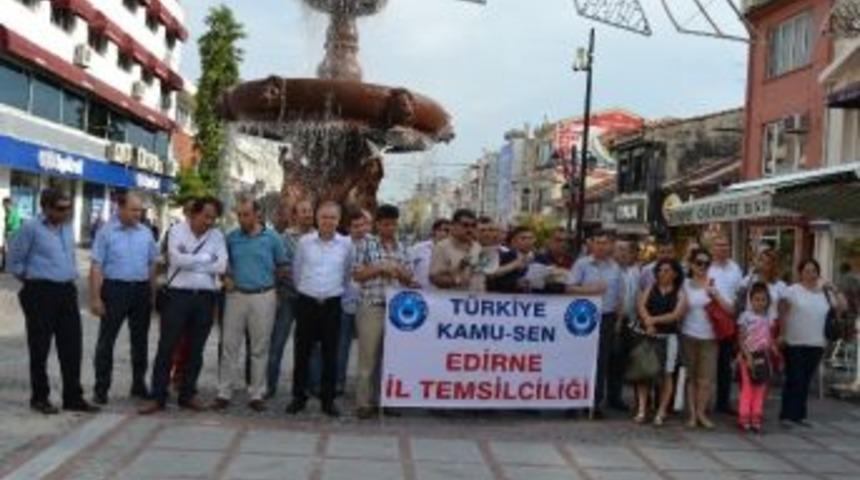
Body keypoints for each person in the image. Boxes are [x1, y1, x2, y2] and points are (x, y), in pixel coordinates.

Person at [8, 189, 99, 414]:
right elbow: (14, 261)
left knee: (72, 346)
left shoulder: (67, 228)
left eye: (68, 207)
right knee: (40, 348)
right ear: (45, 208)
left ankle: (73, 397)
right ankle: (40, 398)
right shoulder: (31, 228)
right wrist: (32, 281)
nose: (66, 212)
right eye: (60, 208)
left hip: (67, 292)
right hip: (41, 292)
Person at [139, 197, 227, 414]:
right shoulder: (177, 231)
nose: (209, 222)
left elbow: (222, 264)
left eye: (213, 218)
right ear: (194, 214)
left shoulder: (217, 236)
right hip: (178, 296)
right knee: (167, 346)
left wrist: (194, 260)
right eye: (206, 216)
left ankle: (187, 394)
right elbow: (176, 260)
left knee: (196, 349)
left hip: (205, 297)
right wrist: (207, 259)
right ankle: (157, 396)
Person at [213, 199, 288, 412]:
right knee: (229, 346)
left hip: (264, 296)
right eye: (239, 215)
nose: (242, 219)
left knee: (259, 348)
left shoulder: (272, 238)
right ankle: (223, 392)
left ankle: (256, 393)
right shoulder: (232, 238)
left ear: (257, 214)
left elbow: (283, 266)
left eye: (246, 214)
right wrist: (226, 275)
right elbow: (223, 261)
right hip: (236, 296)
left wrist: (270, 281)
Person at [89, 192, 159, 405]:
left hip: (140, 291)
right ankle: (101, 388)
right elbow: (96, 266)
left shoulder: (146, 233)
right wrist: (95, 298)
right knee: (106, 342)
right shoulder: (106, 233)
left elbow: (152, 266)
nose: (138, 214)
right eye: (134, 210)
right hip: (115, 290)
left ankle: (138, 384)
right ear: (120, 208)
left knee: (140, 342)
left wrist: (153, 295)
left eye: (140, 210)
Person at [287, 201, 353, 417]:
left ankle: (328, 400)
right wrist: (308, 291)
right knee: (302, 352)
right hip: (306, 302)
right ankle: (299, 397)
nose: (328, 221)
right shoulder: (305, 243)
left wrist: (332, 292)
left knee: (330, 353)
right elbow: (297, 272)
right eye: (324, 217)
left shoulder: (346, 244)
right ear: (317, 218)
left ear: (339, 220)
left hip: (332, 304)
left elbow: (346, 274)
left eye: (332, 218)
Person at [352, 204, 417, 419]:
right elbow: (357, 274)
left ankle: (388, 400)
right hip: (372, 305)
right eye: (386, 224)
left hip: (396, 309)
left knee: (391, 358)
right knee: (367, 358)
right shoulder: (365, 243)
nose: (390, 228)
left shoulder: (404, 246)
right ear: (377, 224)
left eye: (393, 224)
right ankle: (364, 402)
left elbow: (410, 277)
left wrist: (398, 271)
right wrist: (380, 267)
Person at [779, 259, 847, 427]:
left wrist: (834, 289)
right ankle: (787, 415)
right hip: (794, 341)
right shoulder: (792, 291)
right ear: (800, 273)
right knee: (795, 378)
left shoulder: (825, 293)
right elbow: (782, 313)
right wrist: (781, 334)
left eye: (814, 270)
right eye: (807, 271)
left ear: (818, 273)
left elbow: (843, 307)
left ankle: (800, 415)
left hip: (816, 343)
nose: (811, 274)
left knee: (806, 380)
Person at [566, 229, 624, 416]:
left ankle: (594, 402)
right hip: (583, 316)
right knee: (578, 358)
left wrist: (618, 320)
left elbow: (619, 296)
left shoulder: (615, 267)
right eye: (598, 242)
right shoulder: (582, 264)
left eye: (605, 243)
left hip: (607, 317)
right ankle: (572, 401)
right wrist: (590, 290)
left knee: (601, 361)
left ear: (611, 245)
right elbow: (568, 288)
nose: (601, 246)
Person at [266, 199, 314, 399]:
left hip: (309, 299)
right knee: (277, 343)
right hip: (287, 297)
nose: (307, 214)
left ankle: (308, 386)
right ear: (295, 215)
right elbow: (280, 266)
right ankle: (269, 385)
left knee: (308, 346)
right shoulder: (284, 237)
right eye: (303, 211)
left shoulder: (319, 237)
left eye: (310, 211)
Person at [682, 248, 731, 429]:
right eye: (698, 263)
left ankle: (702, 413)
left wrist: (716, 296)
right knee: (691, 377)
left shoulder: (714, 284)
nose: (702, 267)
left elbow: (730, 310)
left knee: (706, 379)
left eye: (706, 263)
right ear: (692, 264)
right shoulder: (685, 284)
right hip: (688, 334)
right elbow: (681, 309)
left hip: (710, 337)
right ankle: (692, 414)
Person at [633, 259, 686, 426]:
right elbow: (641, 305)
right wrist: (647, 321)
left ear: (675, 274)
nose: (662, 273)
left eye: (666, 270)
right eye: (660, 270)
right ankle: (642, 409)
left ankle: (661, 410)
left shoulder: (680, 292)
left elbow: (676, 314)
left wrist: (653, 320)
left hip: (668, 337)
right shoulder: (651, 288)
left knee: (667, 374)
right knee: (644, 373)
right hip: (648, 335)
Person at [707, 234, 743, 415]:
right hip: (707, 321)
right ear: (712, 248)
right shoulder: (706, 267)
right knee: (707, 365)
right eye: (718, 245)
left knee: (724, 365)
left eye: (725, 245)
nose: (722, 248)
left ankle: (723, 402)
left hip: (728, 321)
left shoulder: (735, 268)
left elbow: (739, 294)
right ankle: (704, 403)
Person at [737, 282, 777, 433]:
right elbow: (741, 339)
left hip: (763, 355)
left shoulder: (768, 318)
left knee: (760, 387)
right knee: (748, 387)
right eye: (756, 299)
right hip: (748, 355)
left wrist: (773, 349)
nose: (759, 303)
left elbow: (768, 337)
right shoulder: (745, 316)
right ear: (751, 300)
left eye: (763, 300)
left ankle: (756, 415)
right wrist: (747, 356)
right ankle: (744, 415)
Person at [613, 239, 640, 411]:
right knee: (609, 359)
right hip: (612, 320)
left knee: (621, 362)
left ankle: (615, 397)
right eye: (620, 249)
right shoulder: (609, 270)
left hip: (629, 322)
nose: (623, 253)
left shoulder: (634, 272)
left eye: (626, 250)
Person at [429, 209, 482, 291]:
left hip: (477, 300)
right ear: (453, 226)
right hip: (451, 301)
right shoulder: (442, 247)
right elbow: (434, 278)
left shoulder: (477, 247)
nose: (470, 229)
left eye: (473, 225)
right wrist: (458, 280)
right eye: (465, 225)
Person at [486, 226, 537, 293]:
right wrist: (514, 265)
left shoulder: (538, 258)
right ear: (513, 241)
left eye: (530, 238)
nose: (528, 241)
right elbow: (491, 276)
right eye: (523, 238)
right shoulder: (503, 256)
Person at [408, 218, 450, 289]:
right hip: (420, 293)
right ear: (434, 231)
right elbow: (408, 266)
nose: (443, 234)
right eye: (440, 230)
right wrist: (412, 281)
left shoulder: (451, 252)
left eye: (447, 231)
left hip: (442, 295)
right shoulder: (419, 248)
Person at [535, 228, 574, 293]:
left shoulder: (572, 261)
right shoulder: (540, 259)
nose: (563, 244)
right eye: (558, 240)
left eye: (566, 241)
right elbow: (536, 282)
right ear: (549, 241)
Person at [2, 197, 22, 271]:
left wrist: (6, 218)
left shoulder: (11, 212)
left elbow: (9, 224)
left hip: (11, 233)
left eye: (4, 205)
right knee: (10, 250)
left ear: (8, 204)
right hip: (16, 232)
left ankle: (7, 267)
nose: (3, 206)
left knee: (7, 250)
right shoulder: (15, 211)